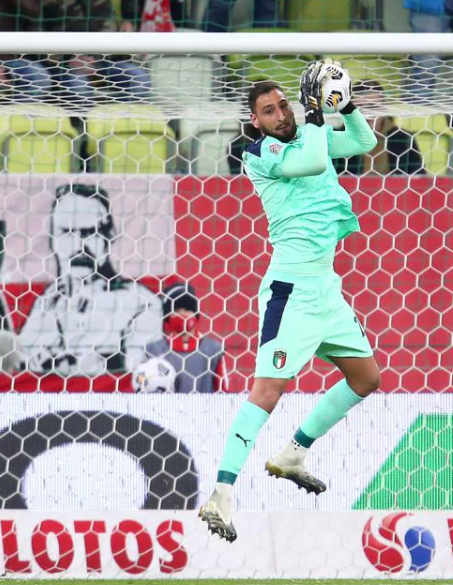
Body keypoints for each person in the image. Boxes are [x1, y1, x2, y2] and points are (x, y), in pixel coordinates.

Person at [199, 61, 380, 543]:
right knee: (267, 391)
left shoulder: (308, 135)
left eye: (284, 105)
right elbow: (317, 163)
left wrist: (346, 104)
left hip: (326, 288)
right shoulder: (261, 154)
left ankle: (293, 453)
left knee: (367, 378)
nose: (280, 114)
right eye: (269, 111)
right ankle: (221, 491)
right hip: (290, 290)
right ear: (255, 121)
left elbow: (365, 144)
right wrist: (320, 117)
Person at [18, 183, 162, 376]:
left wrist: (71, 364)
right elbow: (22, 365)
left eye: (90, 232)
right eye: (67, 232)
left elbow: (140, 372)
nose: (79, 245)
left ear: (109, 237)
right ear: (52, 240)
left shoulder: (140, 304)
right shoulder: (46, 304)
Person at [143, 282, 225, 393]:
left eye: (187, 309)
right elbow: (141, 381)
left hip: (204, 409)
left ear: (195, 313)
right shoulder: (154, 350)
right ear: (167, 317)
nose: (182, 314)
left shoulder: (213, 349)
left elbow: (223, 390)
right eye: (176, 310)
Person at [333, 80, 424, 176]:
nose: (367, 114)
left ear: (383, 108)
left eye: (372, 107)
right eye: (360, 108)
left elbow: (419, 178)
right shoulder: (337, 137)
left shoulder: (403, 139)